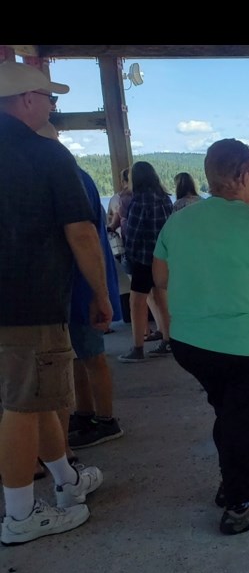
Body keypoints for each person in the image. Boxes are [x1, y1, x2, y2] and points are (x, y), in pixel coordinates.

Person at [153, 138, 249, 535]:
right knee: (244, 424)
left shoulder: (178, 221)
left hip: (192, 345)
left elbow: (160, 278)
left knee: (232, 415)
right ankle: (239, 506)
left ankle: (238, 484)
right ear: (244, 174)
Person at [0, 61, 106, 545]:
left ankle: (65, 479)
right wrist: (102, 294)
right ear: (26, 100)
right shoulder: (48, 157)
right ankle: (20, 515)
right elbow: (82, 233)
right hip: (29, 302)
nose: (53, 109)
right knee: (22, 406)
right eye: (49, 99)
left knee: (37, 397)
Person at [35, 122, 124, 452]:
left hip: (80, 287)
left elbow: (84, 237)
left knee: (92, 356)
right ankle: (85, 414)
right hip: (76, 286)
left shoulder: (69, 179)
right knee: (78, 357)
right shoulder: (74, 178)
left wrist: (97, 293)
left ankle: (106, 419)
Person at [118, 160, 173, 362]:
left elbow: (133, 232)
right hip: (163, 258)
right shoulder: (165, 199)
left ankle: (137, 347)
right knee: (162, 299)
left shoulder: (139, 200)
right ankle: (168, 341)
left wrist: (128, 255)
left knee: (137, 302)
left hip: (143, 258)